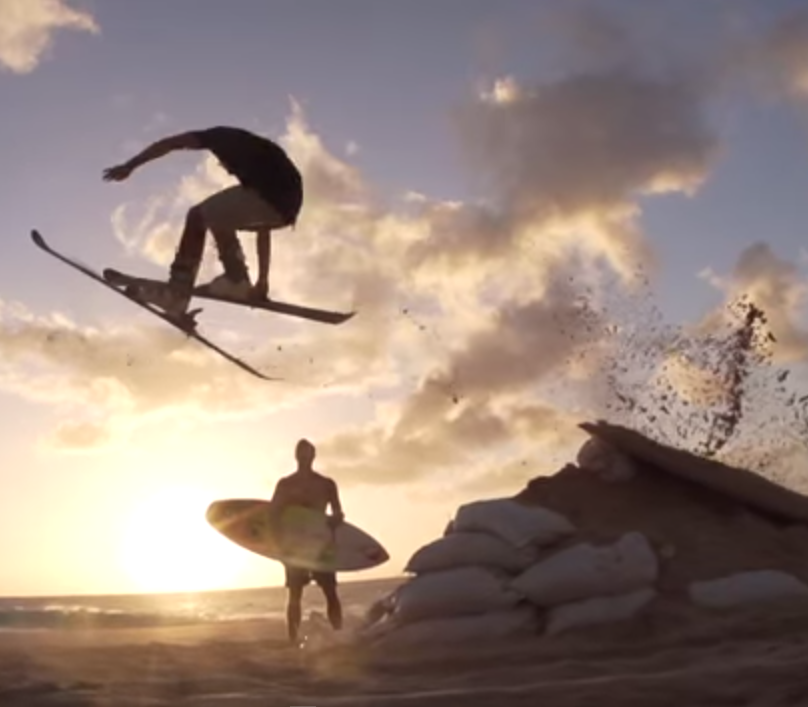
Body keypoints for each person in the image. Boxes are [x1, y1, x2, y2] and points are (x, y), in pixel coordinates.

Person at [102, 125, 303, 318]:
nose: (229, 172)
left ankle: (178, 293)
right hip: (287, 207)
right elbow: (263, 228)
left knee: (197, 215)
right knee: (219, 218)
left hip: (278, 195)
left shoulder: (218, 138)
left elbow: (170, 143)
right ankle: (236, 279)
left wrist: (130, 165)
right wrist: (262, 281)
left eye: (226, 168)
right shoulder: (257, 168)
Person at [268, 438, 344, 645]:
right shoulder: (285, 485)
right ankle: (293, 640)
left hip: (321, 544)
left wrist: (337, 519)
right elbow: (273, 516)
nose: (304, 457)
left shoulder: (327, 484)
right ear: (296, 456)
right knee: (295, 594)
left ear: (313, 456)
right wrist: (279, 548)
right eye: (301, 453)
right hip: (295, 546)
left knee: (330, 591)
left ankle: (338, 635)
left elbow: (338, 513)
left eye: (307, 453)